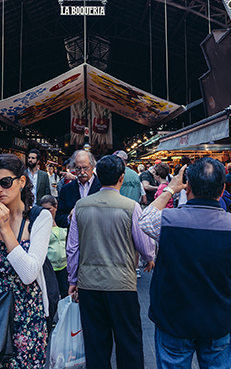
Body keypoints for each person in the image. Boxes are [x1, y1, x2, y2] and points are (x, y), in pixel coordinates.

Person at [139, 158, 231, 368]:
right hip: (217, 319)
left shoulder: (168, 221)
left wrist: (170, 189)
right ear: (223, 188)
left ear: (188, 188)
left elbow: (144, 219)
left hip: (174, 319)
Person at [66, 155, 155, 369]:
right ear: (121, 178)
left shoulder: (81, 206)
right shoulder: (130, 207)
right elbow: (144, 244)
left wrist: (73, 278)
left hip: (89, 285)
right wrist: (149, 257)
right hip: (122, 285)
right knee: (129, 342)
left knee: (96, 343)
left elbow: (72, 248)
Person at [0, 153, 52, 368]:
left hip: (26, 308)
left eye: (5, 182)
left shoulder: (40, 217)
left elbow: (29, 273)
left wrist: (5, 230)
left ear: (21, 182)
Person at [55, 150, 101, 228]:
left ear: (92, 166)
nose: (82, 172)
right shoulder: (66, 190)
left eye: (85, 168)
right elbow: (59, 218)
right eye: (78, 168)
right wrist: (69, 217)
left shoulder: (102, 187)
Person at [39, 195, 68, 300]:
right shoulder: (40, 224)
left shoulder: (62, 221)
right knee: (51, 295)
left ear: (55, 207)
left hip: (64, 266)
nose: (46, 212)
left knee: (65, 293)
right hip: (49, 266)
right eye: (43, 209)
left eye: (48, 209)